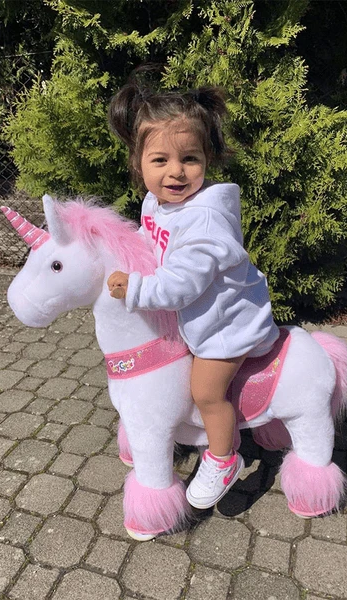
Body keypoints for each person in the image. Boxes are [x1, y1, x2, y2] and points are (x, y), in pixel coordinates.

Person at [106, 82, 280, 509]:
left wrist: (137, 288)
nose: (176, 172)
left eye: (190, 159)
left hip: (227, 324)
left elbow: (182, 283)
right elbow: (151, 243)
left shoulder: (204, 221)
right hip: (198, 316)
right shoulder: (156, 204)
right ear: (138, 163)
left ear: (207, 159)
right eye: (160, 160)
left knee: (205, 391)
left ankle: (224, 458)